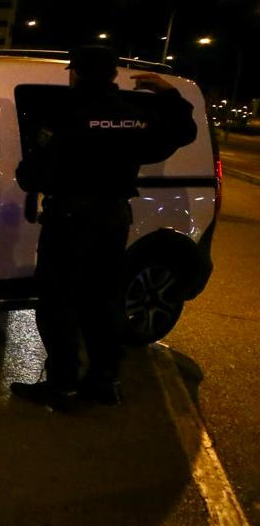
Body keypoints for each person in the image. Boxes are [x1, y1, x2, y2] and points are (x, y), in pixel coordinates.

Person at [10, 46, 197, 410]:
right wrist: (170, 94)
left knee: (58, 303)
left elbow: (32, 175)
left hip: (69, 221)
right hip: (112, 221)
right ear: (113, 76)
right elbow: (183, 132)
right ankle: (104, 381)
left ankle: (62, 385)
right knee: (101, 303)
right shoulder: (135, 118)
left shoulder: (65, 115)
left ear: (74, 73)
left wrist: (31, 171)